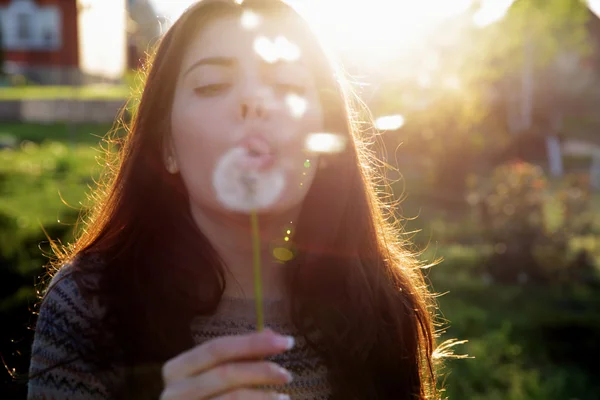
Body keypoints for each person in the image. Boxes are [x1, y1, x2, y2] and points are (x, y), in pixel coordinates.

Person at [27, 0, 446, 399]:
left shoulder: (382, 301)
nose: (254, 103)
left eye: (287, 85)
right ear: (166, 145)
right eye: (212, 85)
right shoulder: (89, 305)